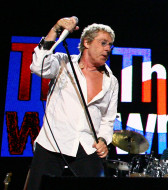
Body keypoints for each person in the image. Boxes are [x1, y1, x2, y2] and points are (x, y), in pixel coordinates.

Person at [27, 16, 119, 189]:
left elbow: (108, 118)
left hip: (87, 147)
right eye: (103, 43)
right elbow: (38, 66)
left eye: (110, 45)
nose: (108, 49)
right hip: (52, 145)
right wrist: (55, 30)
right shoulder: (63, 63)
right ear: (86, 42)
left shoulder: (111, 81)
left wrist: (103, 140)